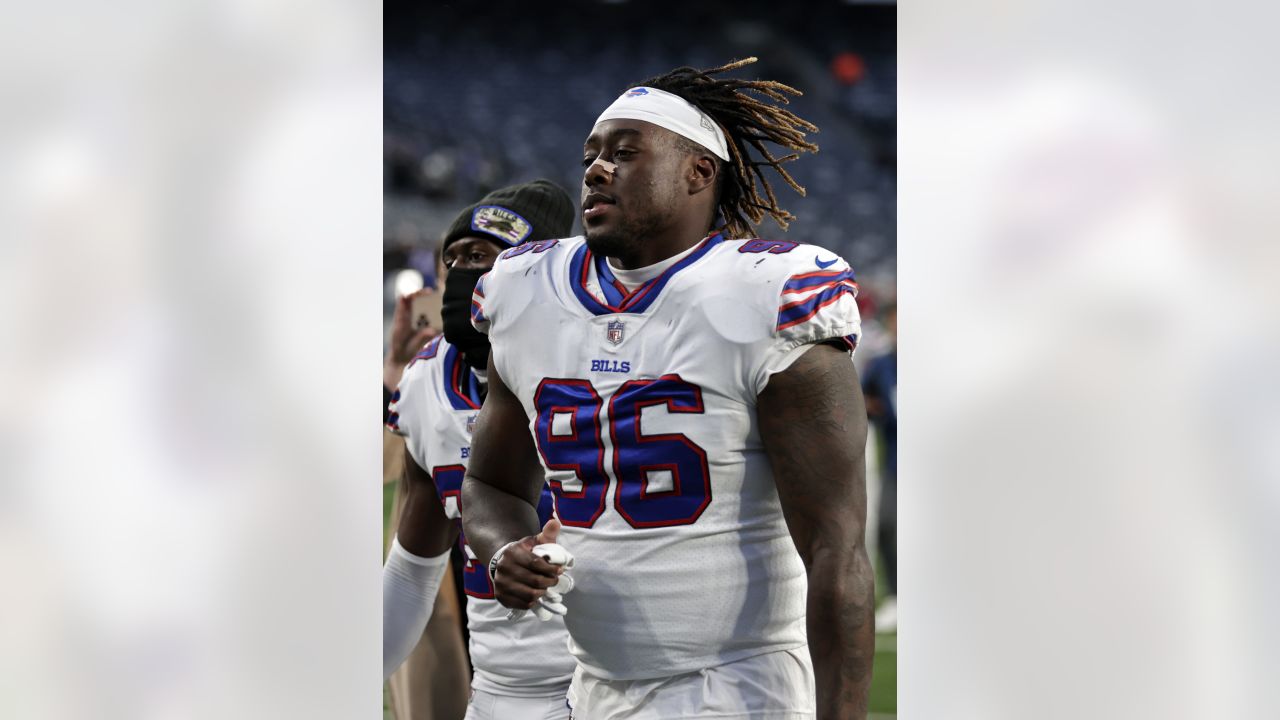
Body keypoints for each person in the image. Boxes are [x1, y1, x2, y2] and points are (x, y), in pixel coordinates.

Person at [461, 59, 875, 719]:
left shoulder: (765, 296)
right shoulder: (524, 291)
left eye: (625, 154)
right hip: (593, 687)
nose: (596, 169)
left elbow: (837, 549)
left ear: (698, 172)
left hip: (737, 688)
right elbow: (491, 487)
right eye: (592, 155)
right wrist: (504, 547)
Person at [384, 179, 578, 719]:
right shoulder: (427, 383)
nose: (461, 274)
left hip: (613, 682)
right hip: (501, 688)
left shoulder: (596, 359)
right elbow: (410, 572)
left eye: (481, 256)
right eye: (454, 258)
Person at [861, 302, 897, 632]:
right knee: (887, 525)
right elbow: (860, 399)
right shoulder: (882, 367)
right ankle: (899, 596)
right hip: (898, 461)